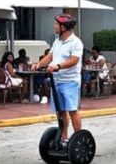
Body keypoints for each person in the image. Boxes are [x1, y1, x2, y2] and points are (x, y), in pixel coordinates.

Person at [32, 14, 83, 143]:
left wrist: (58, 66)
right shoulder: (57, 41)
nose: (54, 26)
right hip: (57, 81)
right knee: (61, 112)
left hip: (70, 82)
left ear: (63, 27)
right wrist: (38, 64)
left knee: (72, 111)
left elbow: (74, 61)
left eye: (56, 24)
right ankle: (64, 137)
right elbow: (49, 57)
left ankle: (79, 138)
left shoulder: (76, 42)